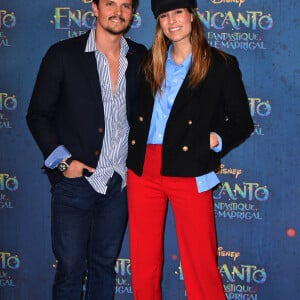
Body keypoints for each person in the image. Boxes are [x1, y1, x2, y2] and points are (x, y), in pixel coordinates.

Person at [126, 0, 254, 299]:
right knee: (143, 261)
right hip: (143, 168)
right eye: (164, 15)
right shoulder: (149, 63)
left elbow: (241, 121)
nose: (172, 21)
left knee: (200, 260)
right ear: (158, 22)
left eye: (178, 12)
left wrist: (213, 139)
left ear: (192, 15)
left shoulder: (220, 64)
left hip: (190, 167)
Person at [26, 0, 146, 299]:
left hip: (118, 184)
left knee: (104, 267)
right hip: (75, 185)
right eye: (109, 3)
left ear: (133, 12)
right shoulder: (63, 54)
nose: (118, 11)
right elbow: (38, 115)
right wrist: (64, 163)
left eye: (126, 5)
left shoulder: (142, 57)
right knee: (70, 271)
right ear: (94, 7)